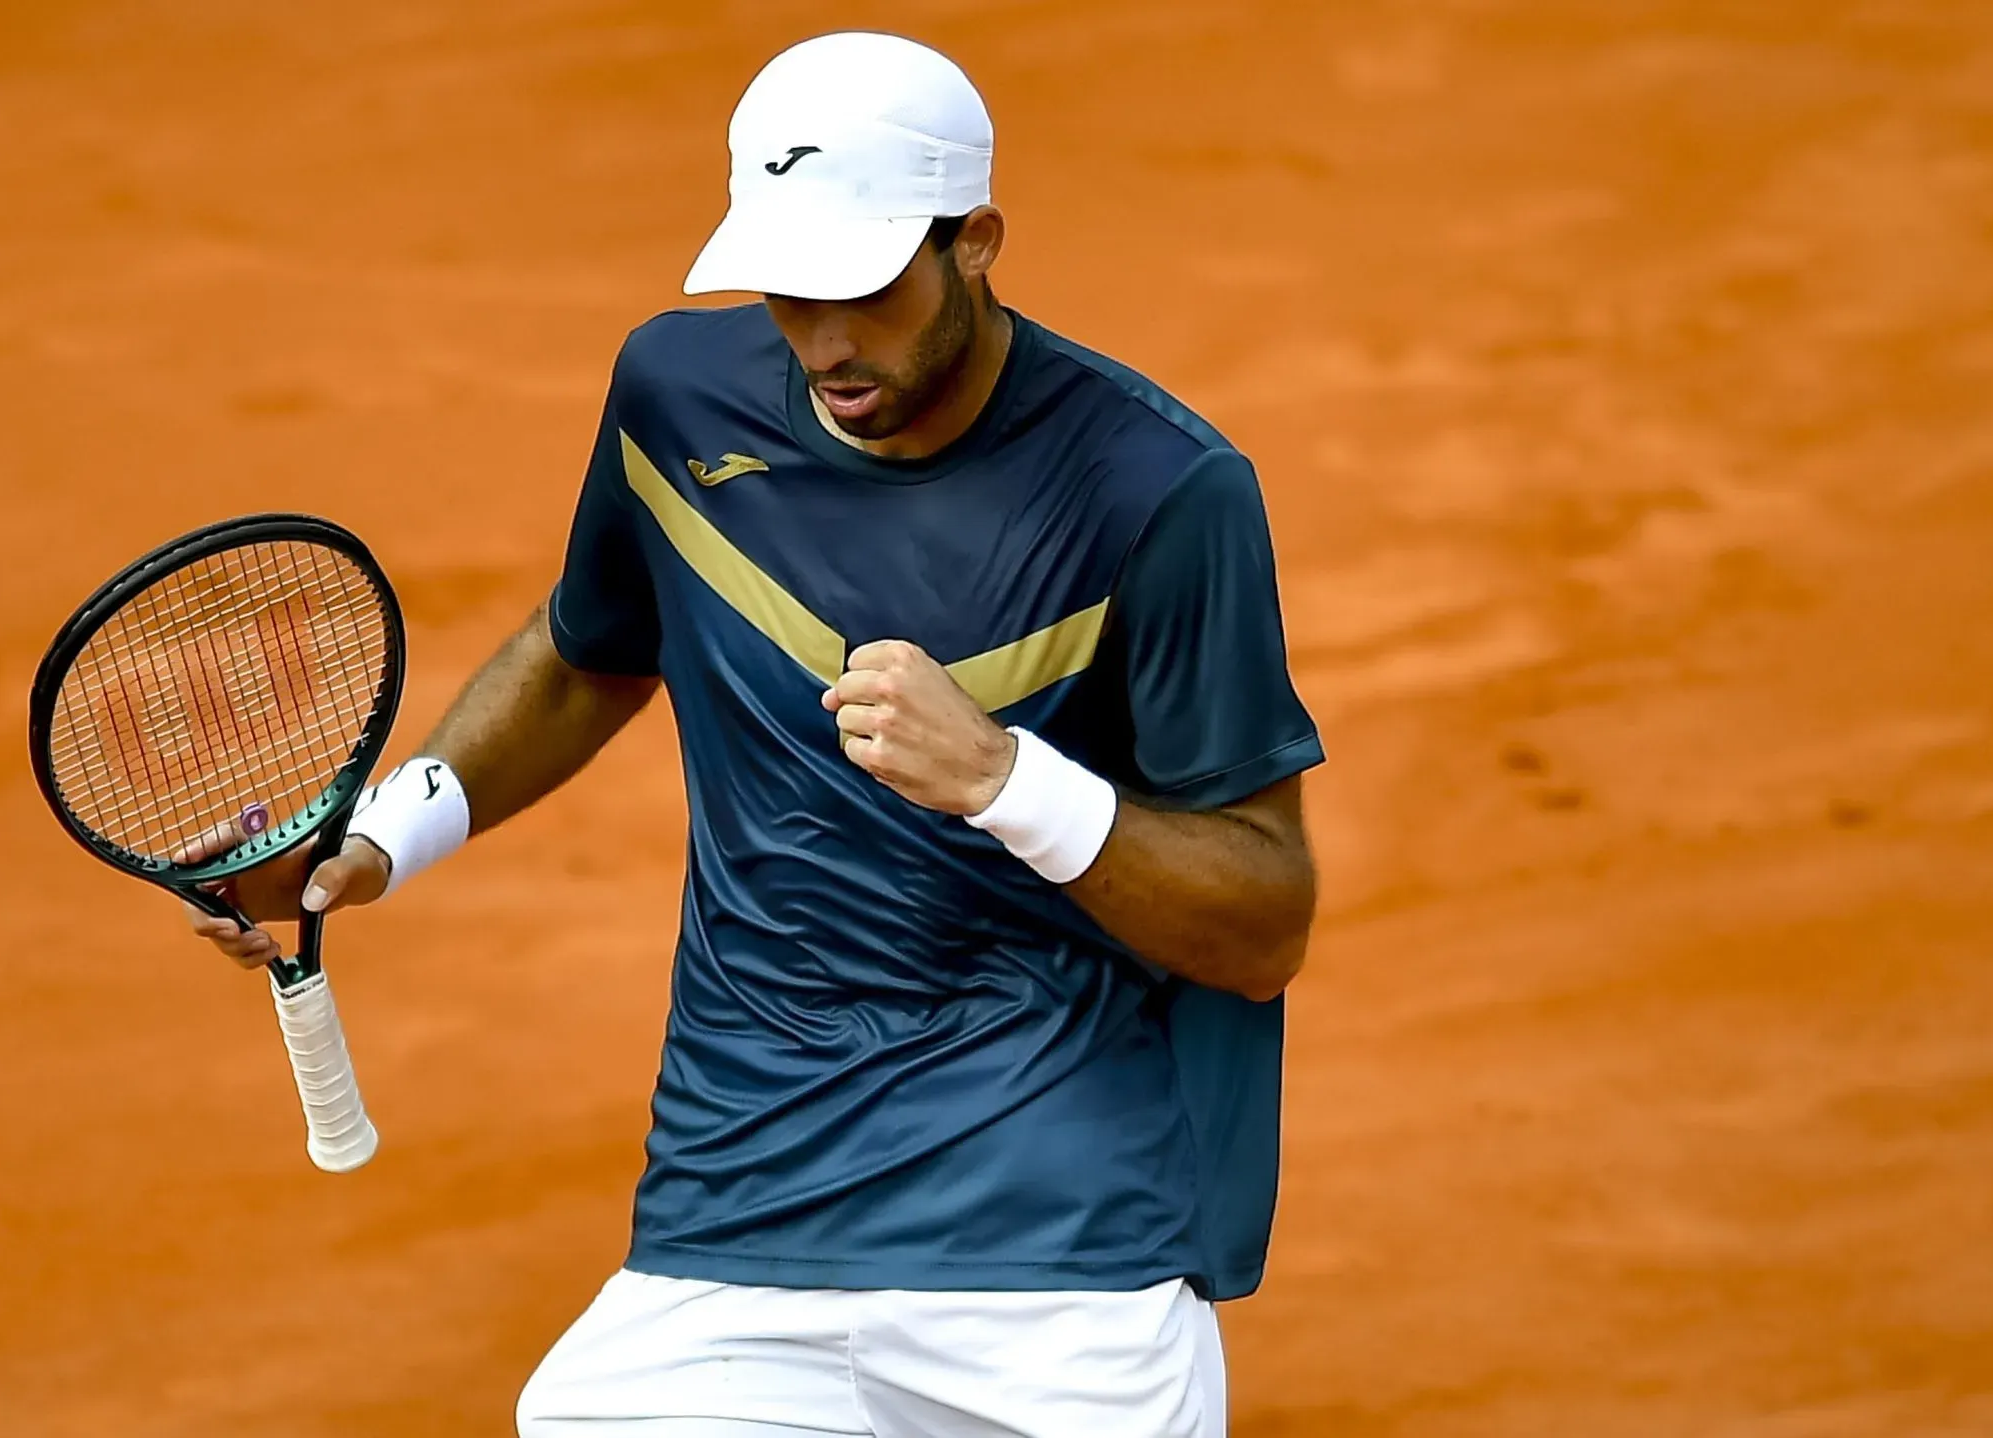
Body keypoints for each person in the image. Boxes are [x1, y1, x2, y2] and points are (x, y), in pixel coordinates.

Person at [190, 30, 1322, 1438]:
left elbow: (1265, 916)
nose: (824, 340)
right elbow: (584, 651)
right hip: (734, 1214)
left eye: (861, 290)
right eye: (787, 289)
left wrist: (1006, 779)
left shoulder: (1161, 490)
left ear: (974, 242)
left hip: (1055, 1250)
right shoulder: (678, 399)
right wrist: (375, 841)